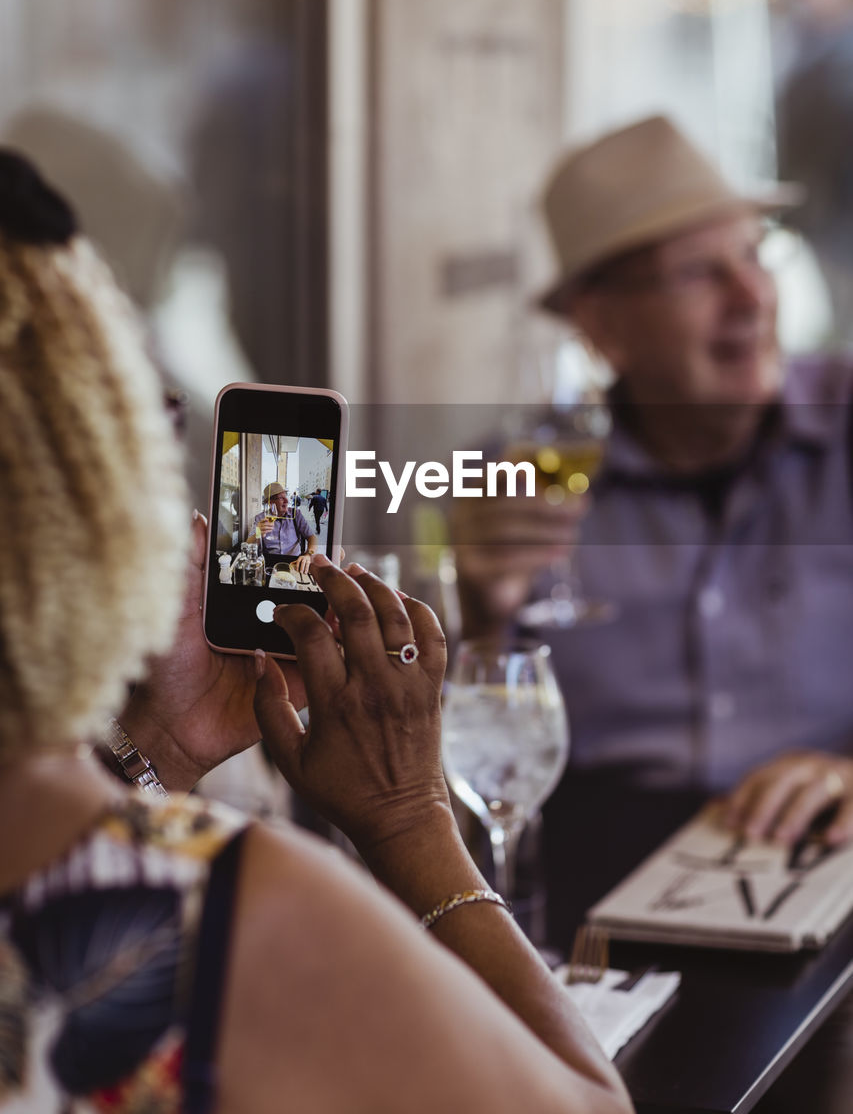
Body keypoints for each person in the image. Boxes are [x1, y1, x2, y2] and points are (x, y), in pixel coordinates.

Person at [0, 149, 631, 1114]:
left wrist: (159, 750)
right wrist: (409, 819)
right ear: (81, 477)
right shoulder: (217, 919)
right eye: (146, 420)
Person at [452, 114, 853, 1111]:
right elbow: (452, 767)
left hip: (822, 875)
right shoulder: (520, 483)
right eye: (696, 273)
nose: (752, 297)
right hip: (604, 896)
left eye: (753, 257)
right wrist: (483, 611)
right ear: (599, 324)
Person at [253, 481, 317, 572]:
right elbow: (249, 544)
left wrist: (308, 555)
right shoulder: (260, 518)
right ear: (270, 503)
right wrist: (258, 532)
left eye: (285, 496)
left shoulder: (296, 514)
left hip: (295, 562)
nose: (287, 501)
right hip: (270, 563)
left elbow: (312, 538)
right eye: (281, 498)